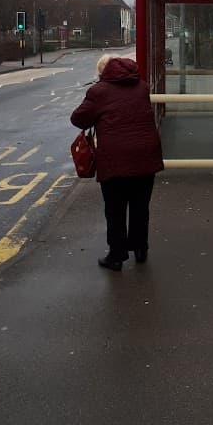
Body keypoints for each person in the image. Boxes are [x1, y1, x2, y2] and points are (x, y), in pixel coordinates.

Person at [70, 54, 164, 271]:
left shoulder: (98, 91)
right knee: (140, 207)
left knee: (115, 210)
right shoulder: (142, 87)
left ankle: (117, 255)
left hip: (115, 159)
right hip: (146, 156)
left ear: (103, 73)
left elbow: (78, 119)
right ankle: (140, 249)